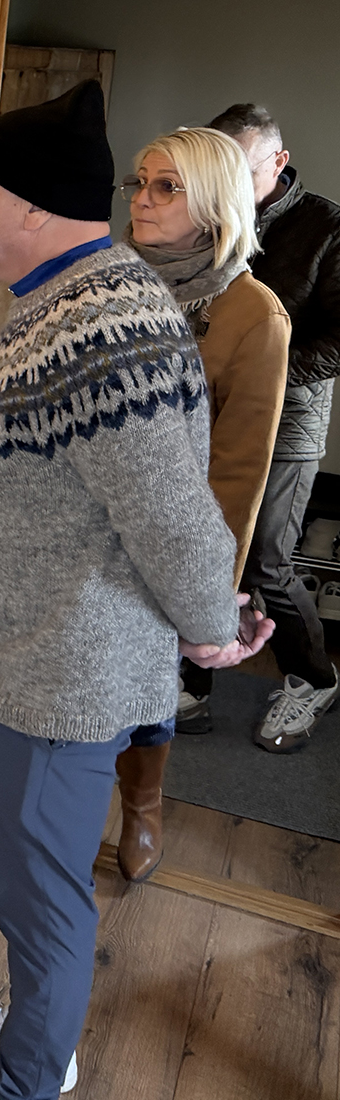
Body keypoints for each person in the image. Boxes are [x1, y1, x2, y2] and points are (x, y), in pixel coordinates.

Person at [0, 81, 272, 1100]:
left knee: (44, 899)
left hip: (62, 679)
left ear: (31, 207)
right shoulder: (58, 300)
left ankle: (29, 1078)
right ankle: (36, 1024)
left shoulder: (106, 328)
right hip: (13, 658)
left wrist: (212, 627)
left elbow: (171, 514)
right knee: (17, 878)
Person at [114, 127, 290, 881]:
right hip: (92, 522)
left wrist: (210, 588)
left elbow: (240, 470)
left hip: (174, 534)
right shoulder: (108, 282)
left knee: (149, 683)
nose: (143, 200)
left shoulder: (254, 315)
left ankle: (142, 805)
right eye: (139, 183)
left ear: (215, 203)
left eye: (167, 187)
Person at [198, 103, 340, 753]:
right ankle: (192, 677)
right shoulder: (207, 214)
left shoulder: (326, 227)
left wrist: (265, 371)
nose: (224, 183)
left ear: (278, 162)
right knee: (200, 544)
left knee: (265, 559)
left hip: (289, 416)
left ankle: (314, 678)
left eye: (239, 168)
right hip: (207, 408)